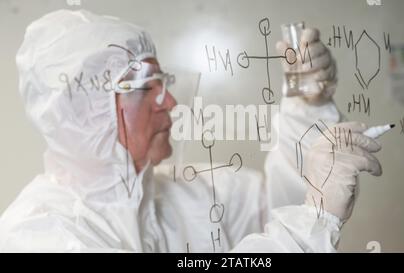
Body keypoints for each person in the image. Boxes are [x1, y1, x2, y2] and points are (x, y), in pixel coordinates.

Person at [0, 10, 382, 252]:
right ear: (85, 113)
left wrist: (306, 106)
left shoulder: (185, 195)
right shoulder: (37, 234)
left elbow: (283, 206)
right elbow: (300, 221)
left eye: (164, 83)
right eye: (145, 87)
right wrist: (312, 224)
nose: (171, 103)